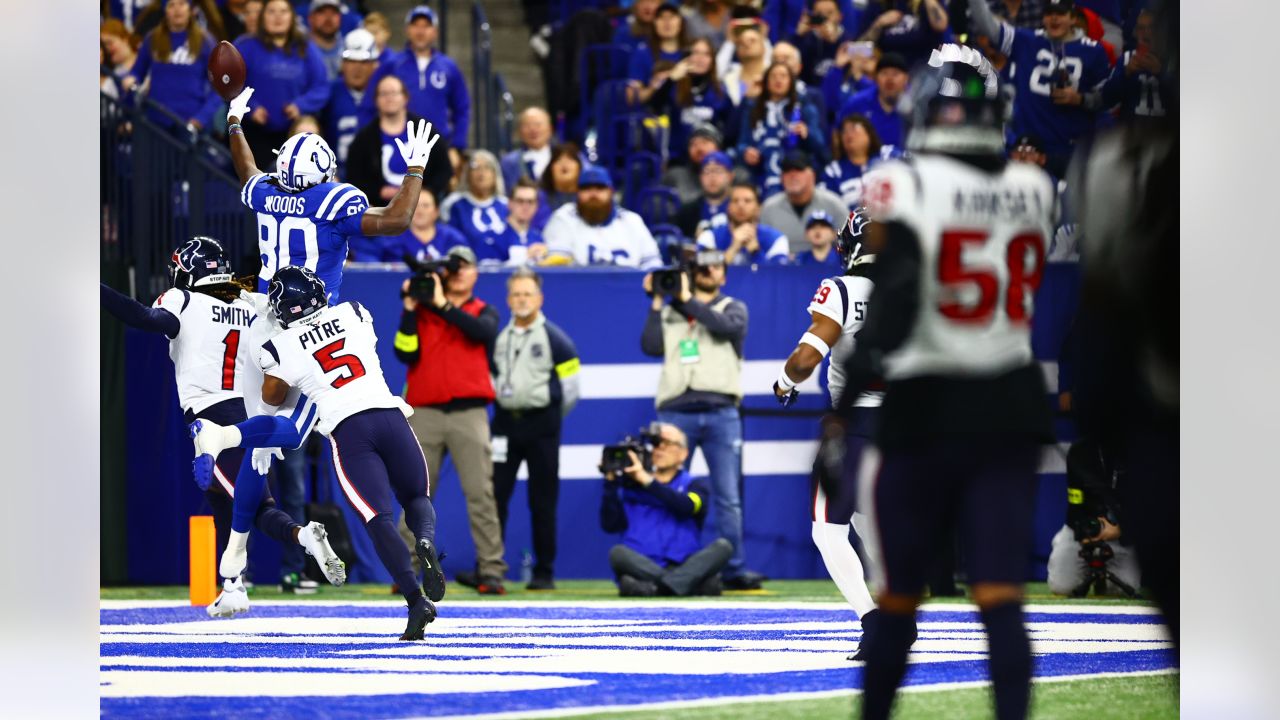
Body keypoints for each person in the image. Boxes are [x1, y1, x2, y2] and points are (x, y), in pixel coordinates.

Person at [840, 46, 1056, 720]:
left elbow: (897, 301)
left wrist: (848, 393)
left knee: (900, 595)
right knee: (999, 594)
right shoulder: (1036, 187)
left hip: (925, 402)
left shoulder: (903, 185)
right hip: (1011, 402)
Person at [193, 266, 447, 640]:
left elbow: (272, 396)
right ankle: (425, 539)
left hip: (349, 429)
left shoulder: (282, 344)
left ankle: (415, 601)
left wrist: (277, 349)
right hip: (390, 414)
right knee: (416, 496)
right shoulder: (354, 312)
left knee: (377, 518)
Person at [100, 238, 344, 617]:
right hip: (253, 412)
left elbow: (146, 319)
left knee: (256, 506)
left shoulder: (183, 300)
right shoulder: (248, 304)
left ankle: (302, 538)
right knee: (223, 501)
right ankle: (234, 585)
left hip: (214, 417)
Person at [774, 209, 889, 660]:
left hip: (858, 423)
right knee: (871, 523)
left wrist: (784, 382)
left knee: (828, 529)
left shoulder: (844, 289)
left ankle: (874, 619)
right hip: (908, 426)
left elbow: (805, 360)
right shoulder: (917, 293)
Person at [225, 84, 440, 301]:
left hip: (268, 309)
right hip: (315, 317)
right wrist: (415, 169)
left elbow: (246, 169)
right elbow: (398, 220)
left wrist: (234, 121)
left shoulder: (265, 192)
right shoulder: (331, 201)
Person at [640, 250, 765, 590]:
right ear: (692, 273)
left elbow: (723, 328)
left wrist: (684, 298)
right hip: (676, 410)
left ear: (724, 275)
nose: (709, 270)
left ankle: (734, 569)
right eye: (702, 267)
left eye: (715, 266)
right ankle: (659, 563)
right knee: (664, 488)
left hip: (720, 410)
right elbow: (650, 346)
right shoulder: (669, 310)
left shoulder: (734, 307)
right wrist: (656, 300)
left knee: (727, 496)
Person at [393, 245, 508, 594]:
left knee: (480, 494)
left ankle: (491, 571)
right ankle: (406, 570)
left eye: (464, 266)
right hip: (424, 411)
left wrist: (440, 304)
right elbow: (404, 351)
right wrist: (411, 310)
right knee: (415, 492)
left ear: (475, 273)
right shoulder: (423, 311)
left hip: (469, 413)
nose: (458, 271)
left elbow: (481, 332)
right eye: (452, 267)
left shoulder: (483, 311)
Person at [490, 269, 581, 590]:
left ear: (539, 299)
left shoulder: (557, 339)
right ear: (508, 300)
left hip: (542, 426)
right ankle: (491, 569)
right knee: (495, 498)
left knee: (542, 501)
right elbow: (491, 379)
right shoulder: (499, 339)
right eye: (516, 294)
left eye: (527, 294)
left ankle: (544, 572)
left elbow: (571, 391)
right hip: (504, 426)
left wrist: (546, 413)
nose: (522, 300)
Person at [968, 0, 1111, 176]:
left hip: (1071, 149)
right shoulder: (1027, 39)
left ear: (1073, 18)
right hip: (1030, 149)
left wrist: (1080, 99)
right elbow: (989, 27)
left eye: (1060, 14)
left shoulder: (1094, 51)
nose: (1054, 19)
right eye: (1049, 14)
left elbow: (1107, 99)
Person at [600, 423, 733, 597]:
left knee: (723, 547)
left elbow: (687, 506)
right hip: (643, 565)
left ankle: (655, 588)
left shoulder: (695, 484)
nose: (659, 448)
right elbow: (610, 525)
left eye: (667, 443)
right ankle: (685, 585)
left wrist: (647, 481)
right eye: (656, 443)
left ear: (683, 454)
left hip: (684, 563)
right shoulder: (630, 485)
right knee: (617, 553)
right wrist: (610, 483)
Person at [234, 0, 331, 168]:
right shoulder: (246, 47)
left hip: (295, 133)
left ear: (292, 17)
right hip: (255, 134)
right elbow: (234, 85)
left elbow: (321, 87)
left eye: (283, 11)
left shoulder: (306, 47)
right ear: (262, 17)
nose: (278, 16)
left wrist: (301, 105)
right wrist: (252, 108)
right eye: (272, 11)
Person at [365, 5, 470, 149]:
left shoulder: (449, 67)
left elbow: (462, 108)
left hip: (439, 146)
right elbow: (368, 104)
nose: (420, 31)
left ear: (435, 32)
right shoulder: (392, 65)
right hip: (398, 145)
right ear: (407, 30)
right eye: (415, 25)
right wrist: (370, 144)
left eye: (426, 26)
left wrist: (457, 147)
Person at [1045, 440, 1141, 597]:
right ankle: (1066, 544)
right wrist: (1082, 530)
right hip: (1084, 526)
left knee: (1121, 590)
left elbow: (1145, 504)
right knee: (1062, 587)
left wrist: (1121, 528)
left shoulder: (1139, 451)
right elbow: (1074, 500)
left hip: (1122, 531)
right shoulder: (1079, 450)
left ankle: (1104, 573)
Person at [346, 74, 454, 205]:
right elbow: (354, 177)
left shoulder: (424, 130)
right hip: (379, 208)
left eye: (394, 93)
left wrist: (426, 192)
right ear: (376, 100)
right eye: (384, 93)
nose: (389, 98)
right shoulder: (363, 139)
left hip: (421, 206)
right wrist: (379, 191)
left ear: (405, 98)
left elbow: (444, 170)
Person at [120, 0, 221, 134]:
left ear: (190, 9)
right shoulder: (153, 38)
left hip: (190, 124)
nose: (177, 9)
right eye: (171, 5)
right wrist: (131, 79)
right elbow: (137, 72)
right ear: (165, 10)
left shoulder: (206, 41)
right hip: (156, 121)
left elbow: (219, 87)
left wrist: (201, 118)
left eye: (182, 4)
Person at [543, 167, 663, 268]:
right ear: (577, 193)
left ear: (611, 192)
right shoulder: (563, 218)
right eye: (587, 188)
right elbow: (557, 269)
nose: (593, 194)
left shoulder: (632, 221)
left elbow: (653, 267)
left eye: (600, 188)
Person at [760, 150, 850, 254]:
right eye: (787, 171)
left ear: (812, 175)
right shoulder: (769, 209)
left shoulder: (834, 204)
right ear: (781, 178)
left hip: (825, 267)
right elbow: (763, 250)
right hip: (781, 268)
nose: (792, 175)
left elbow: (850, 244)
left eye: (799, 169)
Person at [321, 27, 377, 179]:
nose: (357, 68)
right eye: (351, 61)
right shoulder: (329, 93)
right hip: (336, 177)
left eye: (364, 62)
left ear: (374, 64)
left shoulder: (384, 94)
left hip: (376, 180)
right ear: (342, 63)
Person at [441, 151, 511, 264]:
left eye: (487, 167)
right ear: (467, 173)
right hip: (466, 269)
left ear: (495, 175)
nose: (481, 173)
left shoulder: (506, 205)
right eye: (475, 167)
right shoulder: (453, 204)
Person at [697, 181, 791, 265]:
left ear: (758, 208)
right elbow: (704, 273)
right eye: (735, 201)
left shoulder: (776, 239)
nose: (741, 205)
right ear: (728, 207)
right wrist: (733, 248)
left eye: (747, 201)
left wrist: (756, 252)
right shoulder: (709, 238)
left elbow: (777, 278)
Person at [836, 52, 909, 155]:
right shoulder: (857, 103)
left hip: (905, 165)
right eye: (884, 73)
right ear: (876, 78)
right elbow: (837, 133)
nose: (890, 79)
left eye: (895, 74)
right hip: (866, 166)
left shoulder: (917, 106)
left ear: (906, 78)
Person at [627, 1, 688, 106]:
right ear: (654, 23)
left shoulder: (691, 52)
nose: (667, 22)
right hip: (653, 115)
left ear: (681, 22)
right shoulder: (643, 53)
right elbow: (631, 97)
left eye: (672, 17)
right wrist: (654, 87)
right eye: (661, 17)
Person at [858, 0, 951, 68]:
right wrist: (879, 24)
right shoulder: (879, 4)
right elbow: (859, 48)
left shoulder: (927, 3)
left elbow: (940, 25)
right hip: (887, 70)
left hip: (924, 69)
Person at [822, 113, 887, 210]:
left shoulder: (887, 156)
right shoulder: (833, 172)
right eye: (844, 131)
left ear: (868, 133)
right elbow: (827, 206)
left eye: (853, 128)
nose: (848, 134)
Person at [675, 151, 734, 239]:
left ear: (730, 176)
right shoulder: (688, 210)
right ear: (700, 177)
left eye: (718, 171)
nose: (712, 177)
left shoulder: (740, 208)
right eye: (707, 171)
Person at [499, 107, 555, 192]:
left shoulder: (563, 158)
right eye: (527, 125)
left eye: (538, 124)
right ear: (519, 131)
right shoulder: (509, 162)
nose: (533, 130)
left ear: (550, 129)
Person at [499, 178, 549, 265]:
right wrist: (526, 256)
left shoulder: (538, 237)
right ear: (510, 203)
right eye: (520, 201)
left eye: (530, 202)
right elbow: (489, 272)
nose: (525, 206)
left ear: (536, 206)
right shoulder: (494, 236)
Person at [720, 22, 769, 106]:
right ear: (737, 51)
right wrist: (729, 42)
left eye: (752, 40)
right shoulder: (729, 78)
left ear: (763, 47)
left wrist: (764, 37)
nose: (746, 44)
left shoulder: (772, 74)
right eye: (741, 42)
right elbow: (717, 72)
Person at [540, 143, 583, 214]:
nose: (564, 163)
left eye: (570, 159)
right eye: (558, 159)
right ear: (551, 169)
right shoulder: (539, 199)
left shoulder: (587, 198)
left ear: (579, 168)